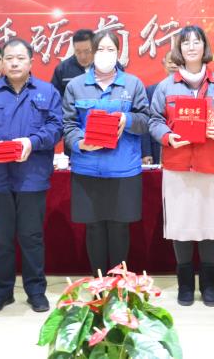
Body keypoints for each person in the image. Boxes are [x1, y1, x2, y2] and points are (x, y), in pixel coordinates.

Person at [0, 38, 63, 314]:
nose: (15, 63)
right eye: (9, 58)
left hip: (32, 175)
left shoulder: (47, 91)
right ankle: (3, 292)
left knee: (32, 236)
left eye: (20, 58)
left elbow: (56, 126)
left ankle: (36, 291)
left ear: (31, 61)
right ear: (2, 63)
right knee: (2, 238)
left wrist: (33, 141)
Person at [149, 26, 214, 307]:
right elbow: (154, 120)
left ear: (204, 47)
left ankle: (209, 285)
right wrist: (167, 136)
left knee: (211, 225)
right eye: (185, 43)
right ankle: (185, 285)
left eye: (196, 42)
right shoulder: (166, 86)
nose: (191, 47)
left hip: (212, 165)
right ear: (179, 49)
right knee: (181, 225)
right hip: (178, 166)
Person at [62, 31, 150, 276]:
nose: (105, 54)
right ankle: (99, 286)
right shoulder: (75, 86)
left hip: (123, 169)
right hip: (87, 169)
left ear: (118, 53)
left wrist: (127, 119)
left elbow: (146, 121)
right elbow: (67, 125)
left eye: (111, 49)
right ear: (92, 52)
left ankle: (118, 286)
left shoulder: (132, 84)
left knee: (120, 228)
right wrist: (80, 143)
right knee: (94, 228)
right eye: (100, 49)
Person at [141, 51, 179, 165]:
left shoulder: (191, 90)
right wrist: (146, 152)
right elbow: (145, 122)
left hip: (182, 145)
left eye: (177, 62)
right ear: (164, 65)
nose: (174, 65)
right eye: (170, 62)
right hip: (157, 148)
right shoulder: (151, 90)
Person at [51, 29, 95, 97]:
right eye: (78, 52)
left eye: (87, 51)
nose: (82, 57)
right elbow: (54, 97)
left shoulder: (106, 66)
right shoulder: (62, 69)